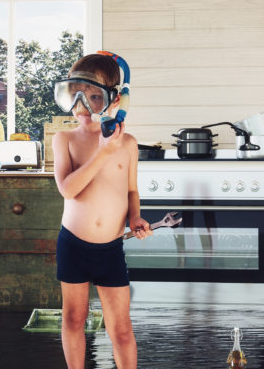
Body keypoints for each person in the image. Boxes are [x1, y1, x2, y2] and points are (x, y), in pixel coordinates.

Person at [51, 53, 152, 369]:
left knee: (121, 328)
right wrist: (103, 151)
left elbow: (132, 191)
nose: (82, 105)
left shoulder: (129, 143)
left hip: (110, 249)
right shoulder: (64, 139)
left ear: (115, 99)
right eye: (75, 94)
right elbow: (68, 189)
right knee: (73, 319)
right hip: (73, 246)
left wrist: (135, 217)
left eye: (94, 96)